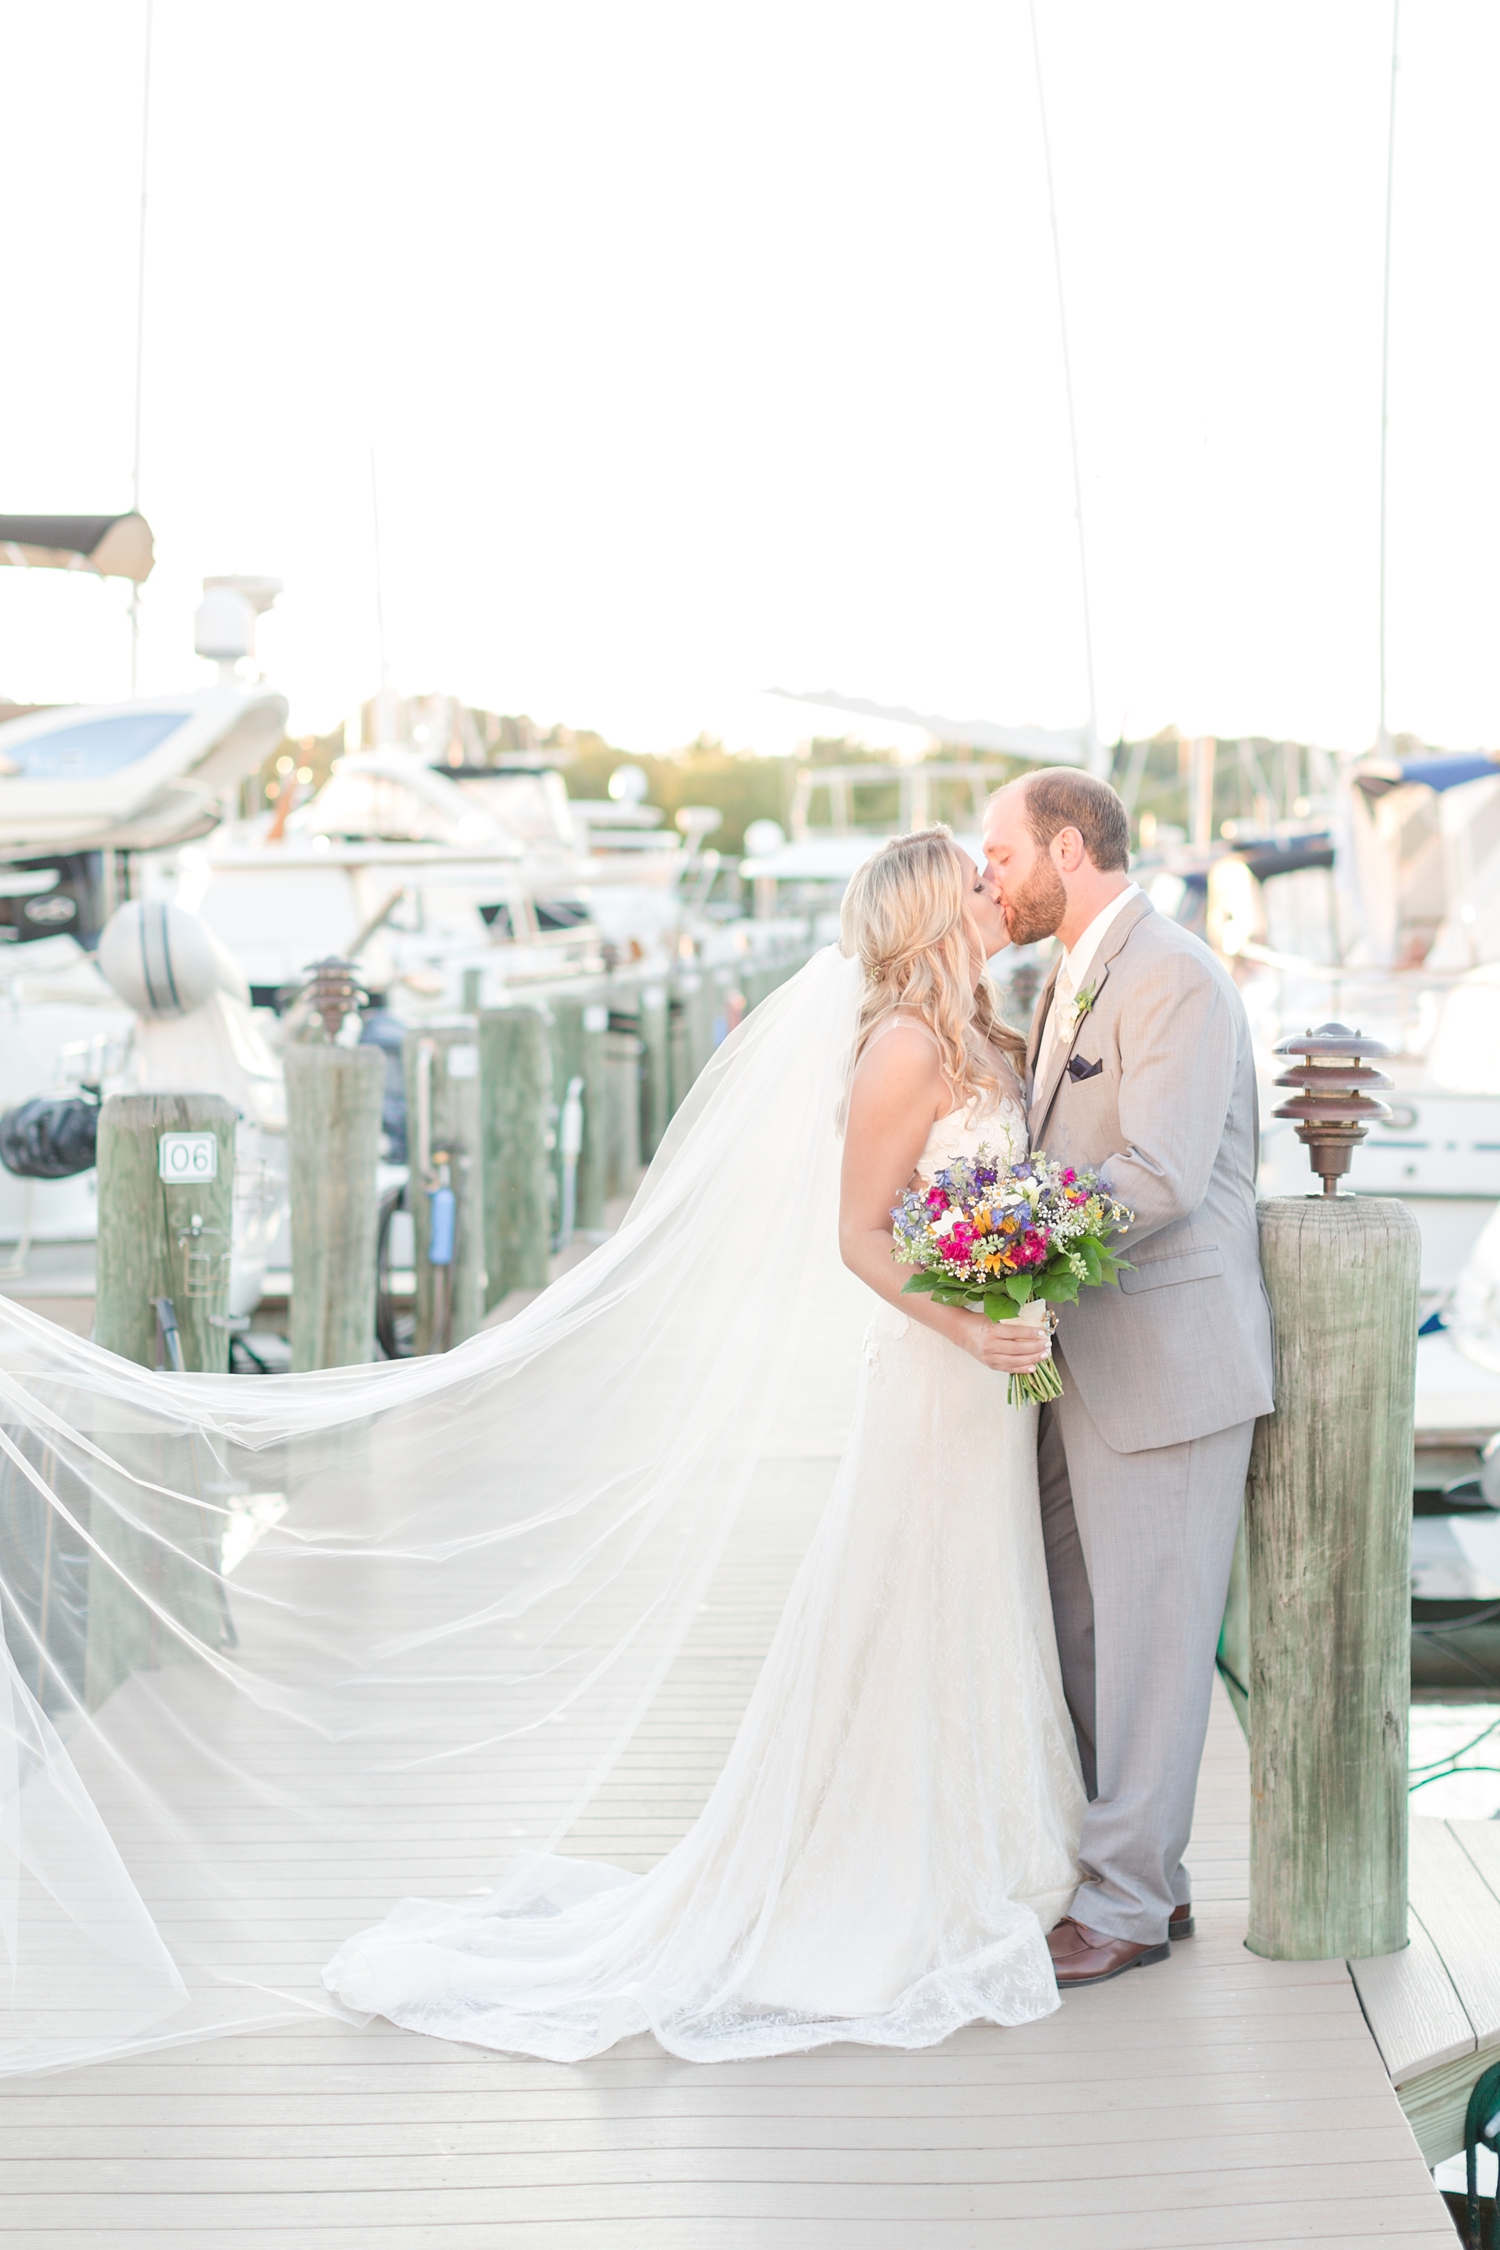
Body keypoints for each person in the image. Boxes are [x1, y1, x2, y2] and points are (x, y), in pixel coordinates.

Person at [322, 830, 1088, 2058]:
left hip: (990, 1377)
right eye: (978, 881)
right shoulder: (900, 1048)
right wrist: (975, 1326)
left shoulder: (987, 1036)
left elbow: (974, 1208)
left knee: (974, 1593)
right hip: (936, 1379)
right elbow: (860, 1238)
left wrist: (1020, 1275)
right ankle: (875, 1869)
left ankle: (992, 1837)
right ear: (934, 913)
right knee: (903, 1595)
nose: (1001, 890)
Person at [981, 769, 1273, 1986]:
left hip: (1165, 1359)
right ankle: (1142, 1879)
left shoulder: (1175, 977)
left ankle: (1128, 1907)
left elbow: (1155, 1173)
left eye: (1000, 852)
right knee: (1086, 1635)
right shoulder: (1070, 970)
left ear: (1066, 845)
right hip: (1083, 1361)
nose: (988, 873)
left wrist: (1002, 1235)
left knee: (1153, 1645)